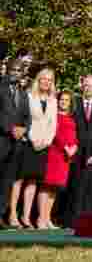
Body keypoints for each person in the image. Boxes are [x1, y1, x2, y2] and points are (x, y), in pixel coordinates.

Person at [11, 67, 57, 229]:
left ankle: (26, 216)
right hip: (28, 143)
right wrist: (33, 140)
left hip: (44, 145)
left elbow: (53, 125)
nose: (46, 82)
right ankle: (12, 215)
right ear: (38, 80)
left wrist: (47, 142)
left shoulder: (53, 100)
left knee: (33, 181)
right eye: (43, 78)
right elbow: (25, 120)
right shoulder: (29, 96)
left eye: (50, 80)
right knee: (19, 179)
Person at [67, 75, 92, 223]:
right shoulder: (74, 102)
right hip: (73, 151)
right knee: (72, 186)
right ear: (82, 85)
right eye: (87, 85)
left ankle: (83, 219)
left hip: (89, 154)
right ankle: (69, 219)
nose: (89, 89)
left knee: (85, 187)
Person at [38, 90, 77, 230]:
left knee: (55, 188)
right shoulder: (52, 115)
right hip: (54, 154)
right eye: (62, 99)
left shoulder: (71, 118)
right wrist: (65, 147)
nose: (64, 102)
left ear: (70, 103)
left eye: (67, 100)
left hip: (65, 158)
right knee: (46, 186)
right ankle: (40, 219)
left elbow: (74, 136)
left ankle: (47, 218)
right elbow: (54, 133)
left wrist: (74, 147)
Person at [0, 53, 32, 224]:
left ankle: (1, 215)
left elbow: (27, 116)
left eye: (19, 70)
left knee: (7, 181)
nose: (15, 73)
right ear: (7, 70)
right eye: (13, 69)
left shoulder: (23, 93)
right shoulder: (1, 87)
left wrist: (24, 129)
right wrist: (10, 129)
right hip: (2, 140)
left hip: (16, 145)